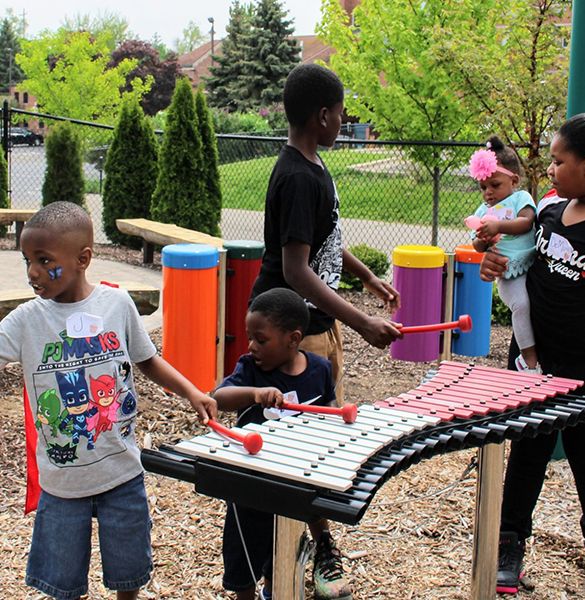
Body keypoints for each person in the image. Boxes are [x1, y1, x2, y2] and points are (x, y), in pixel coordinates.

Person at [0, 201, 217, 600]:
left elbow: (148, 359)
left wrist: (191, 391)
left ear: (83, 258)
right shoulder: (26, 321)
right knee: (62, 583)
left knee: (129, 572)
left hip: (121, 472)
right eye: (27, 260)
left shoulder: (116, 305)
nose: (32, 272)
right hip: (62, 482)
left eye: (44, 260)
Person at [479, 114, 585, 594]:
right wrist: (492, 260)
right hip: (532, 364)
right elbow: (513, 257)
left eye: (558, 161)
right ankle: (510, 543)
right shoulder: (548, 212)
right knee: (526, 452)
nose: (550, 169)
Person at [250, 63, 401, 403]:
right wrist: (362, 323)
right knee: (297, 433)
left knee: (328, 417)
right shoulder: (297, 178)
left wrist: (367, 277)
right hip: (288, 332)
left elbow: (324, 241)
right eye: (339, 114)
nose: (342, 122)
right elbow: (296, 270)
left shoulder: (314, 165)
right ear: (321, 117)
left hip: (316, 322)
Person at [212, 288, 352, 600]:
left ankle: (319, 554)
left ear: (293, 339)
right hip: (250, 484)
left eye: (261, 340)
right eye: (250, 337)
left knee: (283, 557)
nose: (252, 346)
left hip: (294, 480)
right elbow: (218, 398)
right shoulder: (250, 369)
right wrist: (254, 394)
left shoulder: (319, 369)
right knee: (243, 563)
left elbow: (329, 410)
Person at [467, 135, 539, 373]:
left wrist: (498, 226)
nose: (488, 192)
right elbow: (477, 246)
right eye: (483, 187)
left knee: (533, 304)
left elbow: (526, 223)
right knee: (521, 306)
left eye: (495, 185)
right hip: (509, 271)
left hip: (530, 261)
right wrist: (483, 240)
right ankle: (528, 358)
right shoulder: (483, 210)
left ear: (514, 180)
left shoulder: (521, 198)